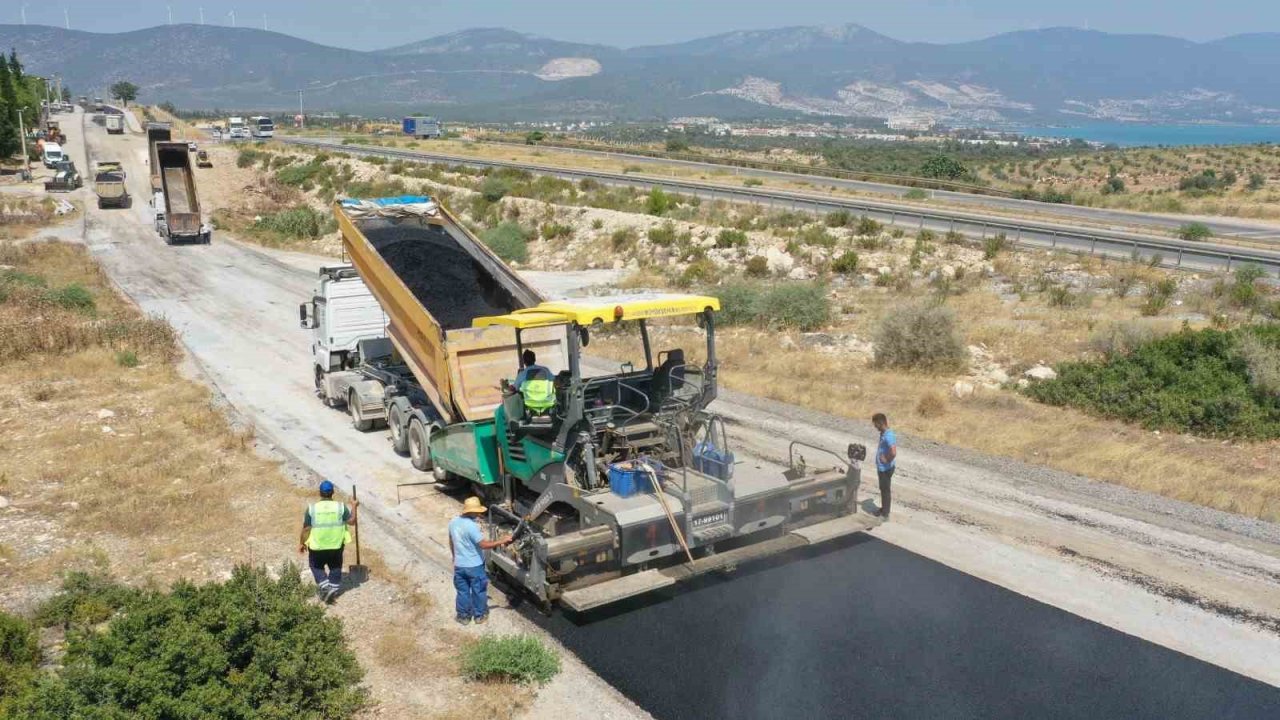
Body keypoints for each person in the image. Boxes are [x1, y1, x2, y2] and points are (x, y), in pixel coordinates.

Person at [448, 496, 513, 625]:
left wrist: (455, 557)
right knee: (479, 591)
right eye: (477, 511)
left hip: (459, 565)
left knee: (462, 591)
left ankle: (463, 616)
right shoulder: (472, 526)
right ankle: (480, 615)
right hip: (474, 566)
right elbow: (483, 545)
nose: (479, 514)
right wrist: (502, 540)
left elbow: (451, 541)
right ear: (471, 512)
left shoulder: (453, 522)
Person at [298, 479, 358, 603]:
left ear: (319, 493)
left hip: (317, 545)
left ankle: (325, 587)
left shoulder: (312, 509)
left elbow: (306, 529)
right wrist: (353, 505)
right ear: (333, 493)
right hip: (336, 544)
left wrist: (302, 543)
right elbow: (352, 522)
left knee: (316, 566)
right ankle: (333, 591)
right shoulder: (340, 507)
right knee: (335, 567)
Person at [872, 413, 897, 520]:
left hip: (885, 469)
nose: (874, 426)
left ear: (880, 423)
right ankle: (883, 509)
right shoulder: (884, 433)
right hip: (882, 468)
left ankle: (885, 515)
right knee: (883, 489)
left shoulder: (888, 435)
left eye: (875, 424)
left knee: (885, 491)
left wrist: (886, 459)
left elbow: (893, 452)